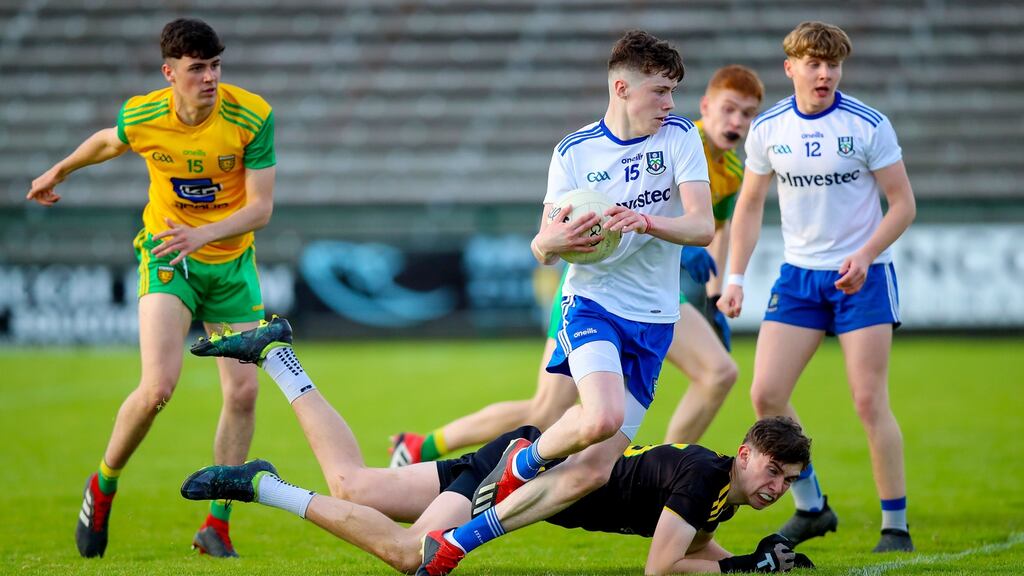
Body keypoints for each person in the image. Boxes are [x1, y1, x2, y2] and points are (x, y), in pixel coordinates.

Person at [411, 29, 716, 575]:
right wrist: (552, 242)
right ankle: (524, 462)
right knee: (601, 415)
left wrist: (645, 220)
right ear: (622, 87)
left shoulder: (680, 138)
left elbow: (701, 226)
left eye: (674, 92)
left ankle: (456, 544)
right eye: (660, 92)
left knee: (593, 472)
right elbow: (542, 246)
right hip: (592, 303)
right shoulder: (574, 152)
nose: (671, 104)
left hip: (654, 319)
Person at [183, 317, 815, 574]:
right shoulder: (705, 478)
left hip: (521, 458)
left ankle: (278, 355)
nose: (777, 488)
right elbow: (662, 568)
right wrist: (748, 567)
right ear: (743, 451)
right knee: (413, 556)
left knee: (354, 484)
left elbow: (700, 550)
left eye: (787, 482)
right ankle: (263, 486)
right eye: (774, 472)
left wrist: (756, 562)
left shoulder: (719, 494)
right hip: (522, 474)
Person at [388, 65, 764, 469]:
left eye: (747, 114)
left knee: (719, 373)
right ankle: (421, 447)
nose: (737, 122)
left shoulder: (732, 171)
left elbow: (717, 230)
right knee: (547, 410)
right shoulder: (668, 132)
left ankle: (658, 476)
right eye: (729, 110)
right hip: (595, 287)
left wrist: (716, 293)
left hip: (653, 292)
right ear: (706, 107)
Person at [27, 18, 276, 558]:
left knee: (244, 392)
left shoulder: (252, 115)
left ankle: (217, 525)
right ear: (170, 73)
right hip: (167, 258)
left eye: (215, 66)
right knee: (158, 388)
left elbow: (261, 208)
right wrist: (60, 170)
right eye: (196, 69)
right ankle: (103, 484)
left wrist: (204, 233)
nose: (209, 78)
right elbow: (108, 141)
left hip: (231, 265)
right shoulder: (145, 113)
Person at [717, 21, 917, 553]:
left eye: (832, 65)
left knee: (869, 399)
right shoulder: (770, 129)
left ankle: (894, 526)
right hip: (799, 277)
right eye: (813, 63)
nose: (824, 73)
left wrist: (866, 253)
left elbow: (903, 204)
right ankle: (812, 506)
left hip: (864, 276)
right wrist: (735, 277)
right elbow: (751, 205)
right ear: (791, 68)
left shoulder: (868, 125)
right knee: (766, 394)